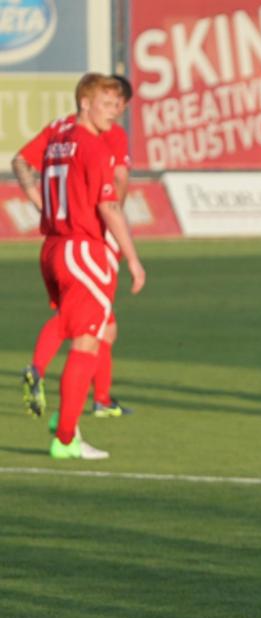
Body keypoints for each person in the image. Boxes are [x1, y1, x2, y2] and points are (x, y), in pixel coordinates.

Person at [21, 73, 146, 460]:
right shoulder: (91, 146)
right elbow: (109, 206)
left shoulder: (60, 140)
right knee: (87, 341)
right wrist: (133, 259)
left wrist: (44, 207)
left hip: (55, 245)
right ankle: (65, 436)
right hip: (84, 250)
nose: (114, 113)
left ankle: (65, 418)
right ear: (86, 103)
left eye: (116, 105)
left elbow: (22, 163)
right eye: (107, 105)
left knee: (80, 328)